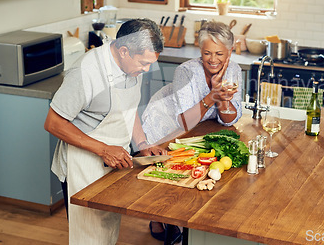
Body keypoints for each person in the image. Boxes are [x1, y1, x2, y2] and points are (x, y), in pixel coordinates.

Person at [44, 18, 165, 245]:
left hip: (114, 163)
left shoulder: (133, 68)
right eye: (143, 63)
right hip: (83, 166)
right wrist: (103, 150)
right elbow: (53, 123)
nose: (147, 69)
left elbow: (128, 111)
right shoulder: (86, 71)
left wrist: (142, 144)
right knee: (88, 237)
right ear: (124, 51)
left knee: (108, 231)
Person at [141, 20, 243, 243]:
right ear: (200, 50)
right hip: (165, 125)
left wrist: (224, 102)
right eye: (207, 53)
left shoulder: (234, 70)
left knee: (187, 176)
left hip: (197, 126)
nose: (213, 59)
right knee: (166, 180)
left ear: (230, 51)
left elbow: (230, 120)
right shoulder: (186, 72)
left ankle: (181, 225)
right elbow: (183, 121)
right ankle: (160, 220)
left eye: (219, 53)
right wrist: (212, 97)